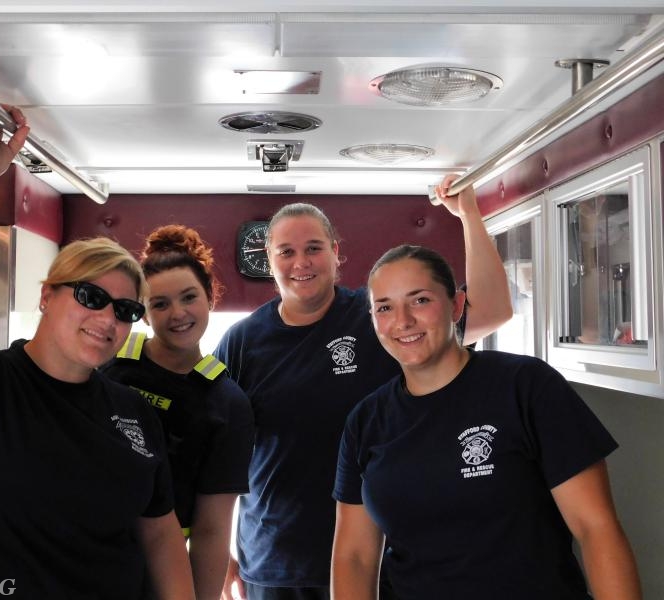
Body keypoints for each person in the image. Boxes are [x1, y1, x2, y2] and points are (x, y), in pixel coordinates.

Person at [0, 109, 195, 600]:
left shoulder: (134, 414)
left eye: (125, 308)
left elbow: (158, 534)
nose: (107, 318)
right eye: (90, 297)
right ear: (47, 295)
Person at [215, 177, 513, 600]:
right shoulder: (241, 341)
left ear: (336, 253)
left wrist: (468, 213)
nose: (302, 262)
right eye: (287, 251)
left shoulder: (379, 317)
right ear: (269, 259)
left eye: (314, 248)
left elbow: (494, 310)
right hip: (279, 560)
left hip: (387, 553)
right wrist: (219, 549)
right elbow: (217, 449)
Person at [331, 244, 642, 600]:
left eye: (420, 300)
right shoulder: (365, 421)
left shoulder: (525, 386)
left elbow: (596, 528)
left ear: (457, 305)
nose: (402, 321)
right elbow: (353, 557)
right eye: (384, 307)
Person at [101, 224, 255, 600]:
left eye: (189, 297)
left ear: (210, 299)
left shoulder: (228, 404)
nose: (178, 314)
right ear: (142, 313)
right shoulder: (107, 368)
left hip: (163, 573)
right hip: (85, 555)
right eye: (160, 304)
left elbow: (212, 531)